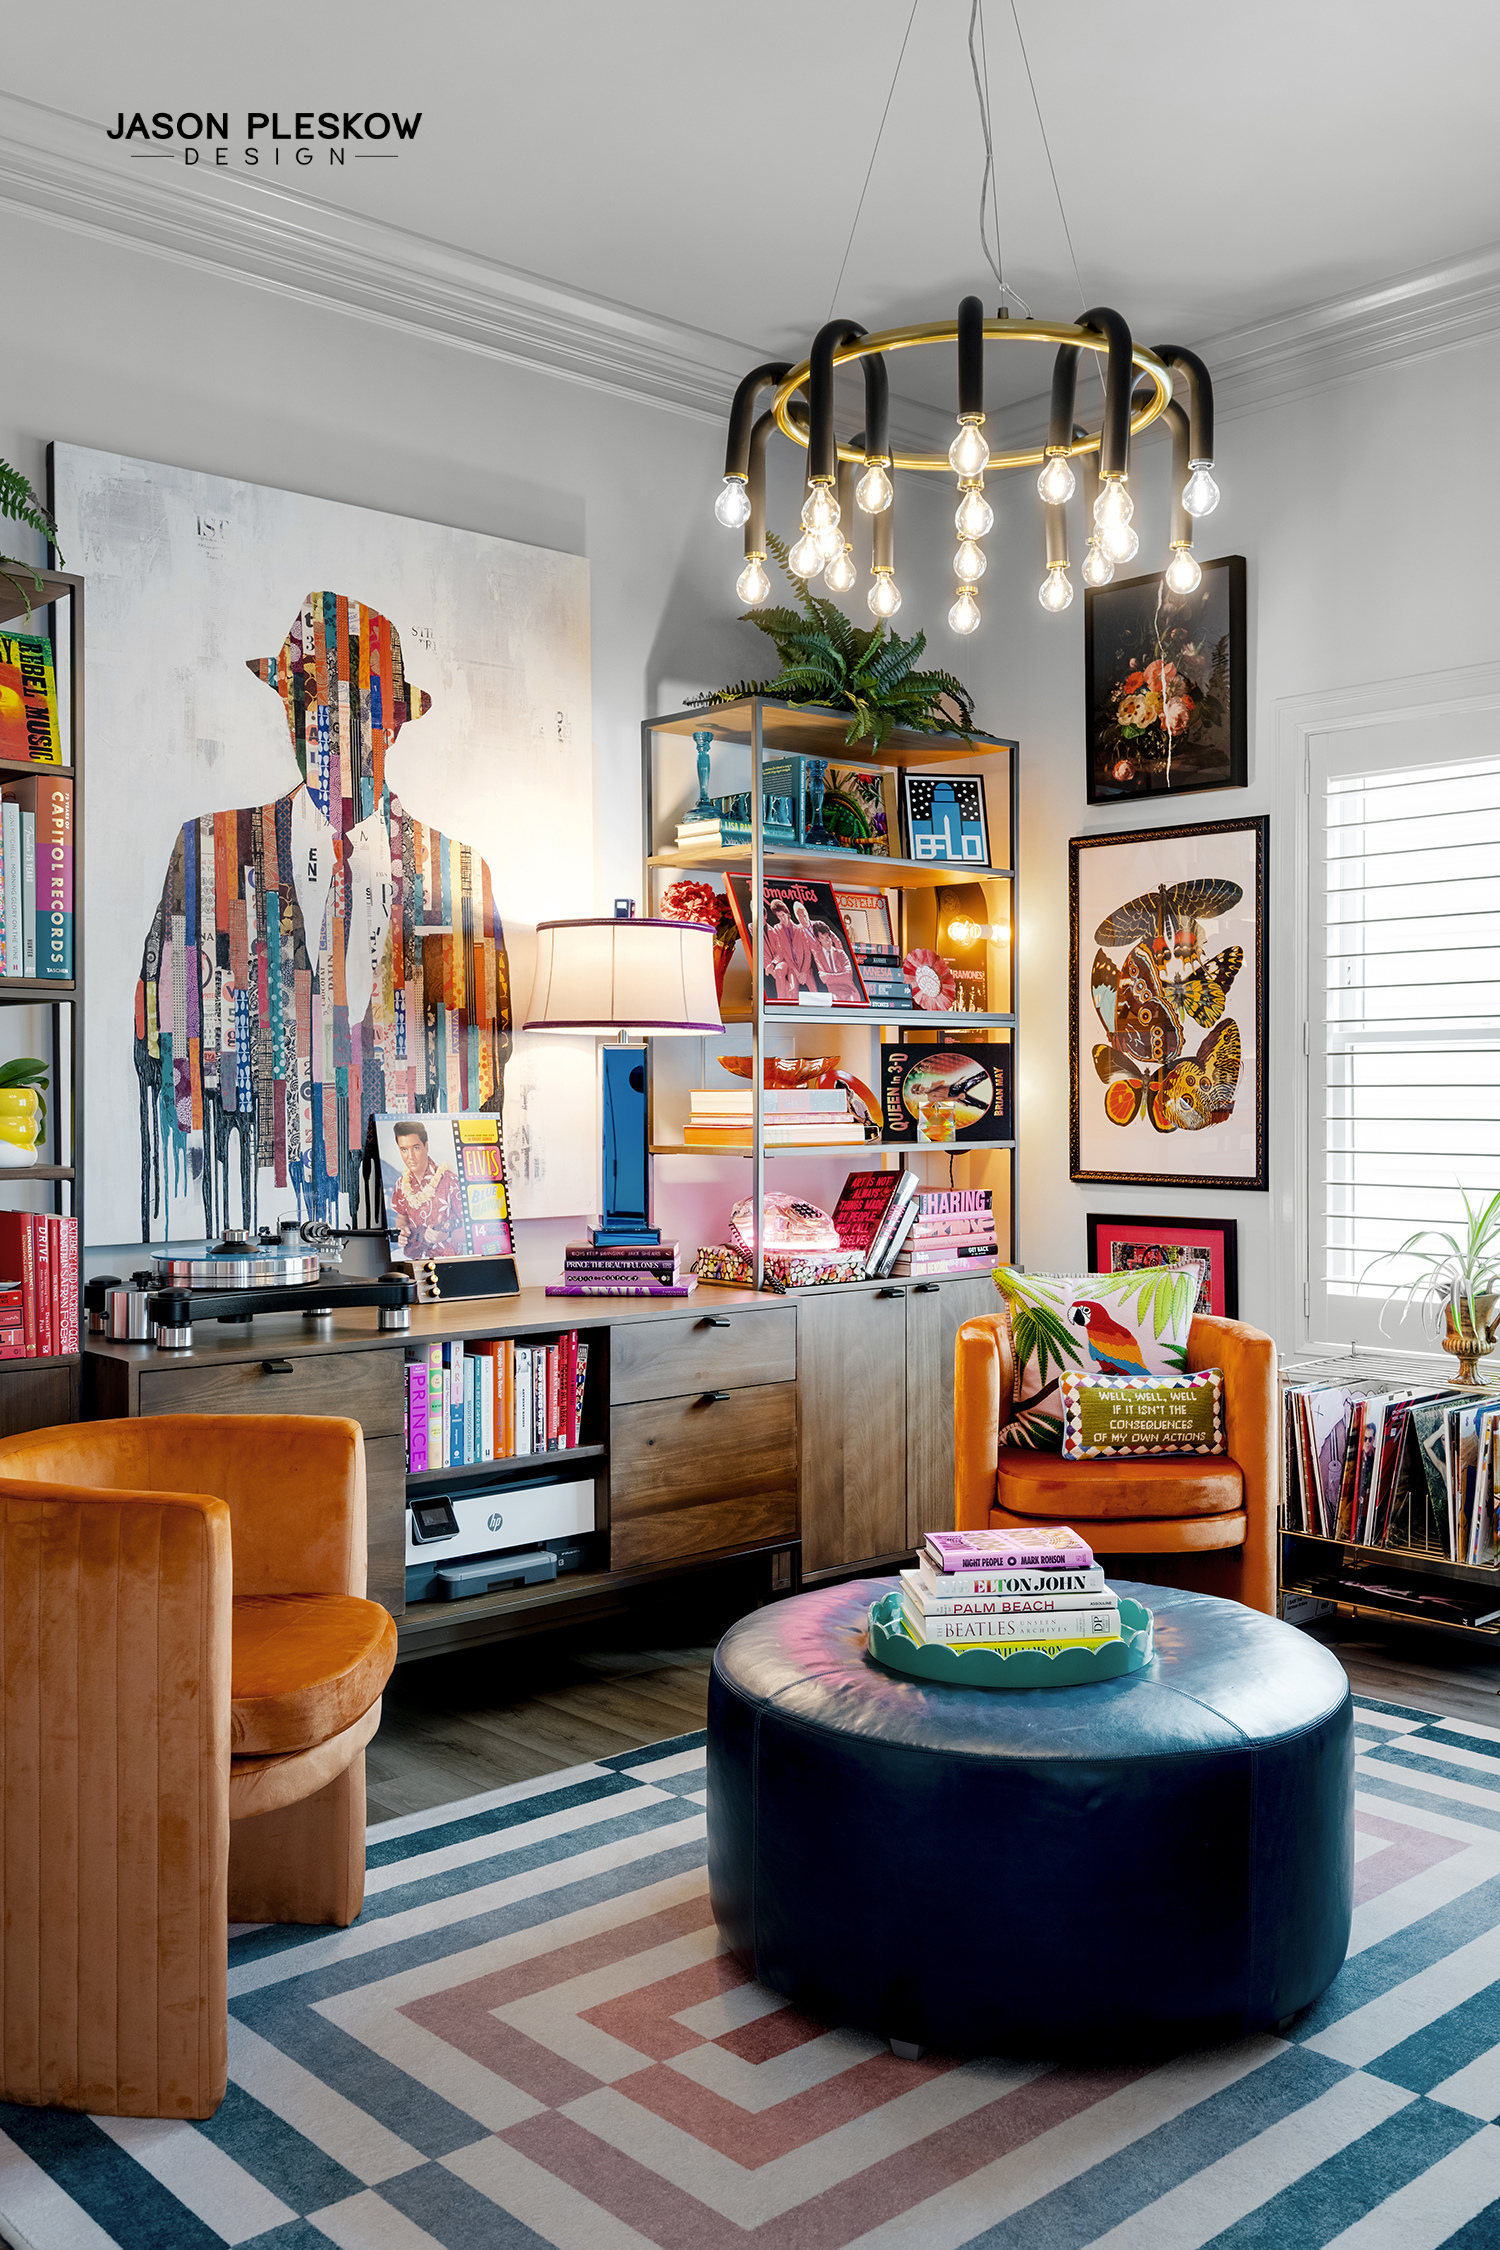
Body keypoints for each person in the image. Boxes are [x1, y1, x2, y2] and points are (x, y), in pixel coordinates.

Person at [133, 594, 510, 1238]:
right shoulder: (207, 850)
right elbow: (156, 1043)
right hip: (247, 1224)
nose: (327, 732)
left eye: (356, 713)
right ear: (287, 716)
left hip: (402, 1246)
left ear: (393, 727)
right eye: (308, 707)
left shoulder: (458, 872)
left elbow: (486, 1065)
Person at [386, 1119, 465, 1259]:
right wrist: (402, 1233)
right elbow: (401, 1219)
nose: (410, 1156)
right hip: (412, 1260)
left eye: (415, 1148)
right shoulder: (400, 1183)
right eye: (404, 1149)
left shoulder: (450, 1181)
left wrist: (447, 1235)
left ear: (426, 1146)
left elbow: (471, 1229)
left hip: (448, 1262)